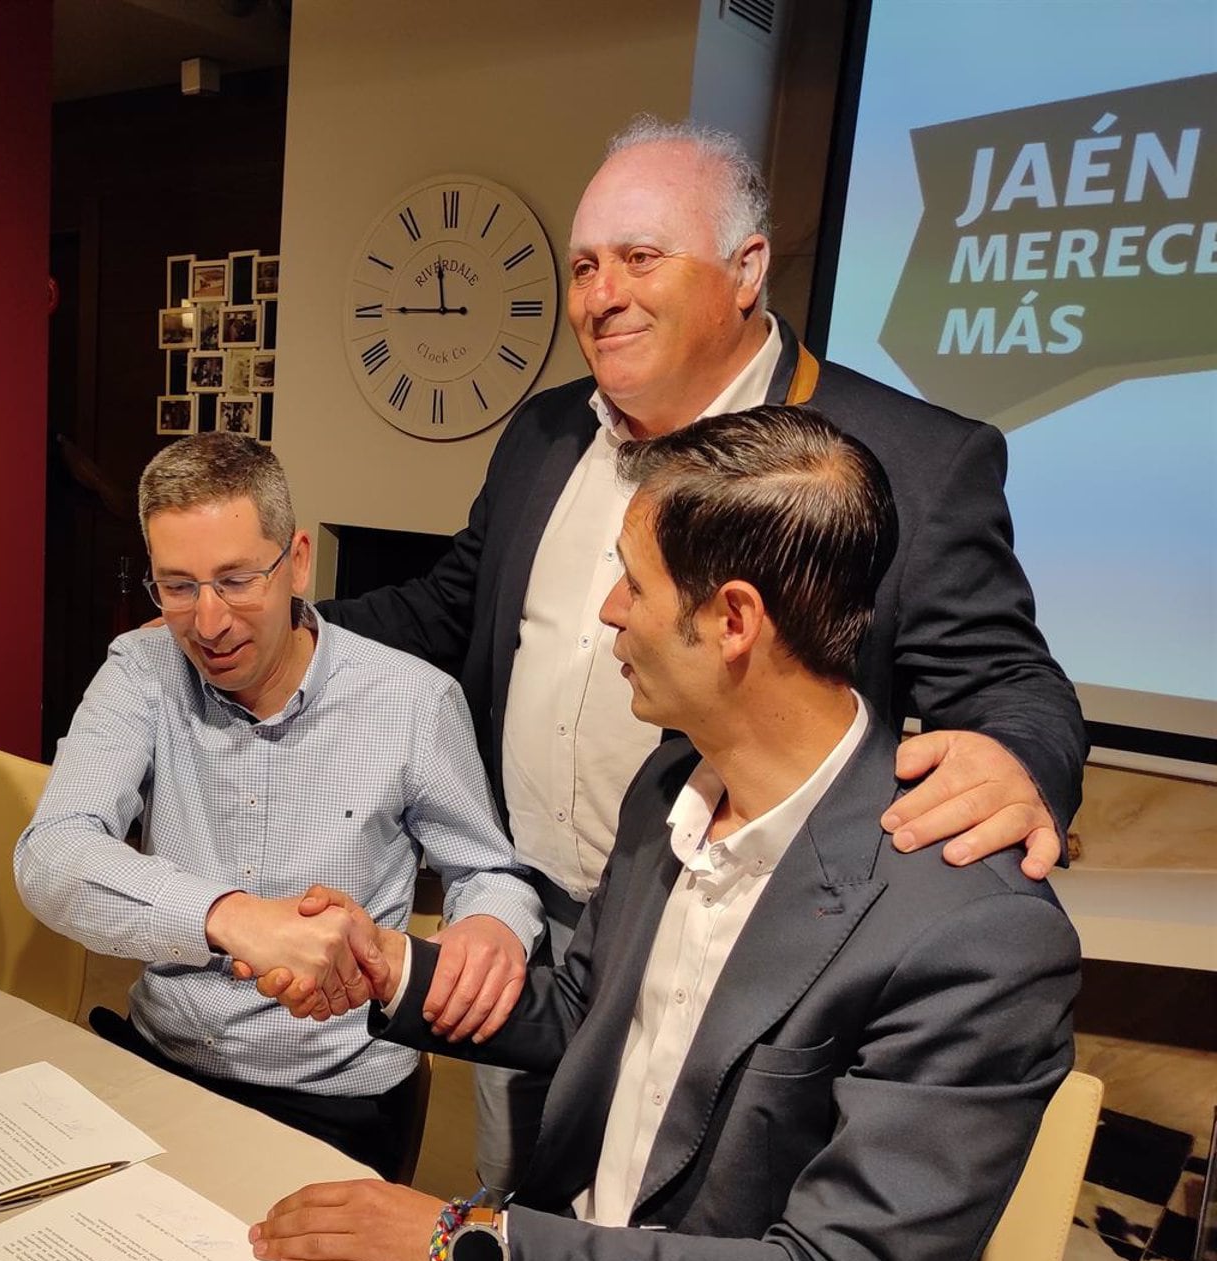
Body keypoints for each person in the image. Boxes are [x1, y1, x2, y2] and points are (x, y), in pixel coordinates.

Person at [251, 406, 1079, 1261]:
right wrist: (394, 971)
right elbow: (583, 1011)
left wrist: (473, 1251)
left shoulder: (975, 929)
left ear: (733, 620)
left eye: (634, 582)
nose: (607, 610)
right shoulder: (676, 781)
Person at [321, 115, 1088, 1192]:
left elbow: (1009, 679)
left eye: (641, 257)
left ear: (746, 270)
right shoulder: (543, 435)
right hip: (530, 923)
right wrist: (293, 630)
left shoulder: (904, 461)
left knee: (683, 1214)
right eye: (585, 265)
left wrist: (1019, 760)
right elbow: (454, 608)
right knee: (536, 1192)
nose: (601, 294)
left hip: (739, 948)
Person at [15, 433, 542, 1180]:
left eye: (235, 580)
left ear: (297, 560)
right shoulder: (141, 672)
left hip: (337, 1093)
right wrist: (235, 919)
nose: (208, 622)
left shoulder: (413, 700)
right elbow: (51, 854)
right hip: (165, 1059)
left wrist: (489, 925)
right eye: (177, 586)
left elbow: (489, 870)